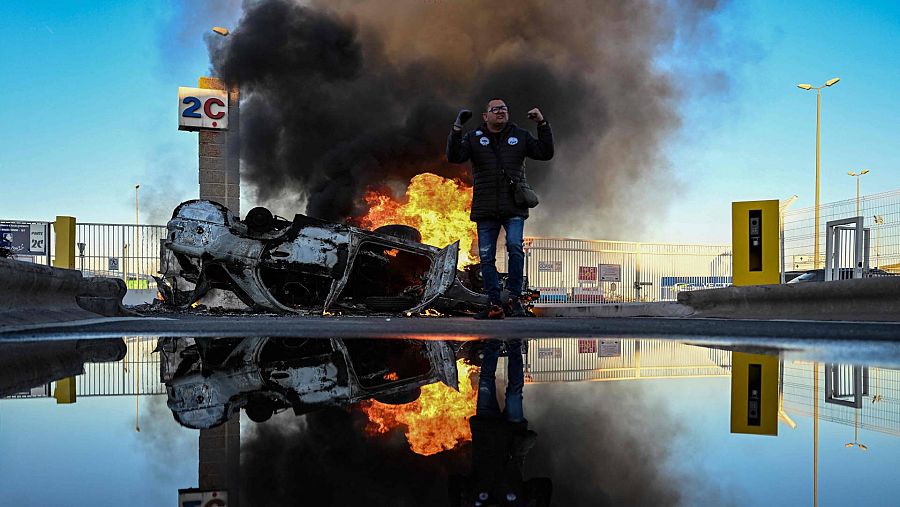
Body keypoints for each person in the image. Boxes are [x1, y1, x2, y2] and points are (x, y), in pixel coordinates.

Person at [446, 99, 554, 319]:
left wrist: (542, 124)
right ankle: (494, 303)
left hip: (513, 206)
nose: (500, 112)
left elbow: (545, 152)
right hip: (485, 207)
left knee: (515, 247)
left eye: (504, 109)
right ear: (486, 116)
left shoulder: (520, 136)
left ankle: (514, 299)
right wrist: (457, 128)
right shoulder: (474, 138)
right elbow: (454, 156)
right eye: (495, 110)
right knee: (486, 257)